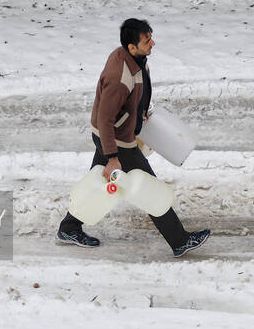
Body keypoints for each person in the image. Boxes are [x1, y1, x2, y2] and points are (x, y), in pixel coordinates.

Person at [56, 18, 210, 258]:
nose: (153, 43)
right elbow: (106, 119)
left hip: (117, 134)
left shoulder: (134, 60)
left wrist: (139, 115)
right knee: (148, 187)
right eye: (147, 41)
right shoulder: (119, 77)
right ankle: (179, 241)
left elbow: (136, 93)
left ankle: (69, 227)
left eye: (151, 38)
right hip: (116, 140)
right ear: (131, 47)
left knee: (96, 182)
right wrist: (113, 156)